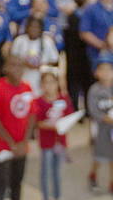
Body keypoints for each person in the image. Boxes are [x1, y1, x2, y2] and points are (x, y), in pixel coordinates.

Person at [0, 56, 35, 200]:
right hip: (2, 147)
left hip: (21, 147)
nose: (17, 69)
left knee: (17, 183)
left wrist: (24, 143)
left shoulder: (27, 87)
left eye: (20, 66)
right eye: (13, 65)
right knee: (1, 184)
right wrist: (11, 144)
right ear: (5, 68)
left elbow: (32, 115)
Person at [87, 58, 113, 199]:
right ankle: (93, 175)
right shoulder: (94, 90)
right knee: (100, 155)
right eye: (102, 69)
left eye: (109, 69)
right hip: (101, 128)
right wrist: (105, 118)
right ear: (96, 72)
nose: (106, 73)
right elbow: (92, 110)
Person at [34, 72, 72, 200]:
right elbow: (37, 122)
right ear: (42, 85)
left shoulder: (63, 99)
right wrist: (53, 126)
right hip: (47, 142)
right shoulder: (39, 101)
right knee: (45, 172)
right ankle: (45, 196)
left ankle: (57, 196)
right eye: (46, 82)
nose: (49, 86)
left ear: (57, 83)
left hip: (60, 142)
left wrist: (63, 125)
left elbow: (70, 116)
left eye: (52, 82)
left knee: (57, 171)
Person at [10, 17, 59, 96]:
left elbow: (55, 60)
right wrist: (24, 62)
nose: (33, 29)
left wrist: (41, 64)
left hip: (41, 80)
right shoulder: (19, 40)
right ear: (27, 27)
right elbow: (12, 59)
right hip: (23, 77)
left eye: (36, 27)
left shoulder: (47, 41)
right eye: (31, 26)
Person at [63, 0, 93, 116]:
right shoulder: (80, 17)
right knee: (83, 84)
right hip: (81, 55)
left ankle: (76, 111)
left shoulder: (72, 17)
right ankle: (84, 110)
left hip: (74, 56)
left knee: (76, 85)